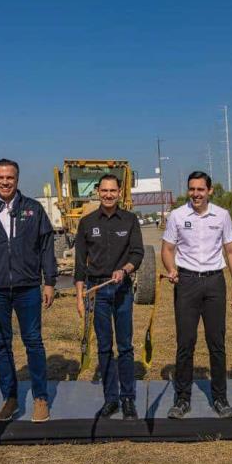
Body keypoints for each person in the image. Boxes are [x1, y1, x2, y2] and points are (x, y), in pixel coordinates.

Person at [0, 158, 57, 423]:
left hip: (28, 288)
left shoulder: (33, 209)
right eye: (0, 177)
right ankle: (11, 398)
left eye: (10, 178)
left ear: (17, 179)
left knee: (33, 343)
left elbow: (46, 247)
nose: (5, 182)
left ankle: (40, 398)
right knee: (2, 345)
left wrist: (49, 281)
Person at [161, 171, 232, 419]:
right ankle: (182, 399)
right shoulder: (177, 215)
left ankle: (220, 398)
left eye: (200, 189)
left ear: (210, 191)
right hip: (186, 283)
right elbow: (167, 249)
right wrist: (171, 269)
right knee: (186, 343)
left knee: (216, 343)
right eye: (192, 189)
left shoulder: (222, 215)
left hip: (215, 282)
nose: (196, 194)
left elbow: (231, 250)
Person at [74, 173, 144, 420]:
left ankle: (128, 399)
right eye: (104, 190)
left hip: (122, 290)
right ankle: (110, 400)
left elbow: (137, 253)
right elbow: (80, 263)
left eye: (112, 190)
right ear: (97, 192)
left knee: (125, 346)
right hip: (98, 292)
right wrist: (80, 296)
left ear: (119, 192)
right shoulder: (87, 222)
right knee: (104, 347)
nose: (108, 194)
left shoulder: (130, 220)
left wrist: (125, 270)